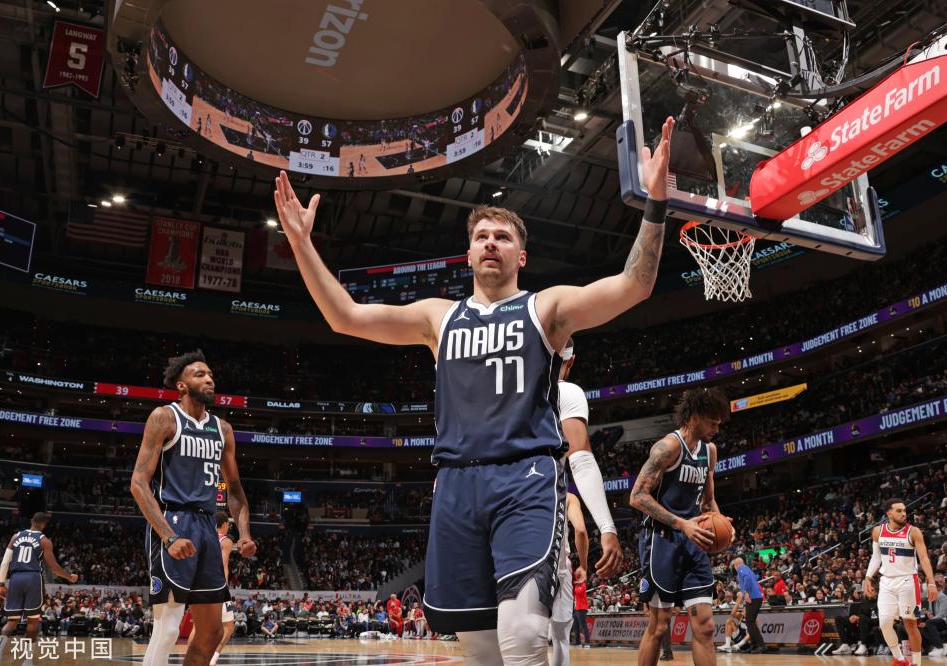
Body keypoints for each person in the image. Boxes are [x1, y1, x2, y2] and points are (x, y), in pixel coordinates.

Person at [272, 114, 677, 665]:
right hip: (456, 485)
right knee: (483, 652)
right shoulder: (438, 317)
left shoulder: (546, 308)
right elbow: (345, 316)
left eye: (503, 237)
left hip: (525, 478)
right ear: (467, 254)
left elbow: (635, 284)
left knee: (524, 635)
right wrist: (301, 243)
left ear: (520, 256)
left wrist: (655, 204)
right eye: (481, 237)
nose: (491, 243)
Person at [130, 350, 257, 666]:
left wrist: (244, 533)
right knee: (169, 629)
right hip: (173, 520)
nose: (209, 379)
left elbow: (235, 489)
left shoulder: (223, 429)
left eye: (211, 374)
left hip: (206, 527)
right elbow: (138, 483)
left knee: (212, 632)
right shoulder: (164, 417)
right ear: (181, 385)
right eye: (200, 374)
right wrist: (168, 537)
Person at [629, 388, 733, 666]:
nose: (716, 430)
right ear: (695, 416)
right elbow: (637, 496)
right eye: (713, 423)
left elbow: (708, 501)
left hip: (694, 542)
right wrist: (680, 523)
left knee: (705, 627)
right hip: (662, 541)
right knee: (659, 627)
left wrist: (722, 522)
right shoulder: (668, 447)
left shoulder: (710, 451)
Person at [552, 338, 623, 664]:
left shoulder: (503, 387)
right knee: (558, 631)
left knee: (512, 626)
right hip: (543, 514)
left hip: (495, 508)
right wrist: (607, 527)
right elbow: (580, 460)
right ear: (571, 362)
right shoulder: (566, 392)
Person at [0, 513, 78, 659]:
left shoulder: (16, 536)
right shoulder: (44, 541)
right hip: (33, 578)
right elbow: (53, 567)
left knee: (12, 621)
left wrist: (1, 584)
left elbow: (5, 562)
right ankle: (28, 660)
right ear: (44, 524)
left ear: (31, 521)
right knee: (32, 621)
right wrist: (69, 577)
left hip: (16, 578)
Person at [864, 498, 938, 666]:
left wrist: (931, 582)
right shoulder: (877, 531)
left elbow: (924, 558)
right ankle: (899, 659)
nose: (904, 513)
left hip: (907, 581)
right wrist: (867, 577)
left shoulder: (913, 532)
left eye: (904, 510)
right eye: (899, 511)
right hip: (886, 582)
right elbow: (876, 557)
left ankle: (916, 663)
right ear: (889, 513)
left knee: (910, 624)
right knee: (884, 623)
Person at [187, 512, 236, 665]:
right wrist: (223, 589)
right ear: (225, 524)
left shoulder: (202, 537)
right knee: (229, 626)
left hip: (196, 583)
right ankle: (213, 659)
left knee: (198, 627)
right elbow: (223, 565)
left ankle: (191, 660)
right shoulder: (225, 541)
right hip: (215, 584)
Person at [552, 493, 589, 666]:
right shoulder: (567, 497)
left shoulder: (523, 490)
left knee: (527, 639)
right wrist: (583, 565)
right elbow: (580, 530)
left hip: (525, 567)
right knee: (560, 639)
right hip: (559, 567)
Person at [731, 558, 766, 653]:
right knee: (750, 622)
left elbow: (747, 578)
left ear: (736, 565)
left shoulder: (741, 568)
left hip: (753, 598)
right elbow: (756, 577)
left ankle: (760, 645)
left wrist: (746, 592)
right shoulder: (748, 569)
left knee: (750, 622)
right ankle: (754, 645)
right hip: (755, 597)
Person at [834, 587, 879, 655]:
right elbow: (860, 613)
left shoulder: (879, 602)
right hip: (860, 623)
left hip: (871, 624)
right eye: (868, 590)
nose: (869, 591)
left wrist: (859, 618)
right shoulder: (865, 601)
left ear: (876, 592)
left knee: (862, 618)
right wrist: (853, 617)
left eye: (872, 590)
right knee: (838, 618)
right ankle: (845, 645)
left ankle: (863, 646)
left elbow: (875, 619)